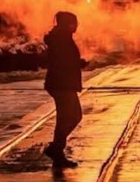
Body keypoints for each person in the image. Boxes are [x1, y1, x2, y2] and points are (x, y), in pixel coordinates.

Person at [43, 11, 87, 168]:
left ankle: (56, 149)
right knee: (69, 118)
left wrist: (77, 62)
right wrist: (77, 64)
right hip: (62, 84)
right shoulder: (61, 39)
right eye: (74, 23)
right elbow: (62, 62)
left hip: (63, 84)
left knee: (71, 117)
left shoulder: (61, 38)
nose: (76, 26)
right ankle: (56, 151)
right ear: (66, 24)